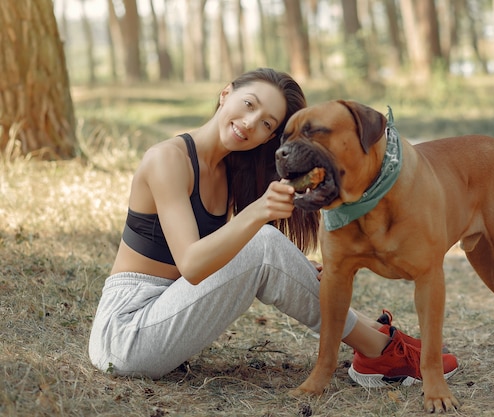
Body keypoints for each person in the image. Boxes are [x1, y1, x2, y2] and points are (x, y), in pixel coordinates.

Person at [88, 68, 458, 387]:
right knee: (265, 244)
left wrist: (292, 266)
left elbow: (226, 251)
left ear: (269, 139)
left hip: (168, 310)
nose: (251, 123)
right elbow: (192, 264)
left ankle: (377, 338)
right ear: (225, 93)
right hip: (125, 332)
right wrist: (260, 214)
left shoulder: (228, 169)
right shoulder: (166, 159)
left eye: (267, 124)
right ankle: (378, 349)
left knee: (270, 250)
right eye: (249, 104)